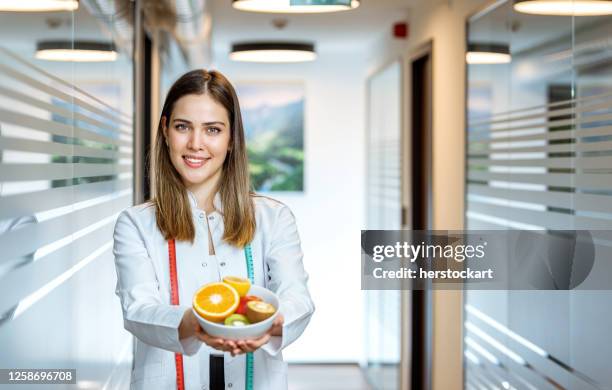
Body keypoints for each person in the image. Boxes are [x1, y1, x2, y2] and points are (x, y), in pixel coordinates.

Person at [112, 69, 315, 390]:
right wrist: (195, 324)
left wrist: (270, 325)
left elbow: (297, 297)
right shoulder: (135, 223)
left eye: (213, 130)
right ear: (165, 130)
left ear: (232, 138)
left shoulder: (274, 218)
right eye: (183, 127)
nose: (196, 144)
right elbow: (138, 309)